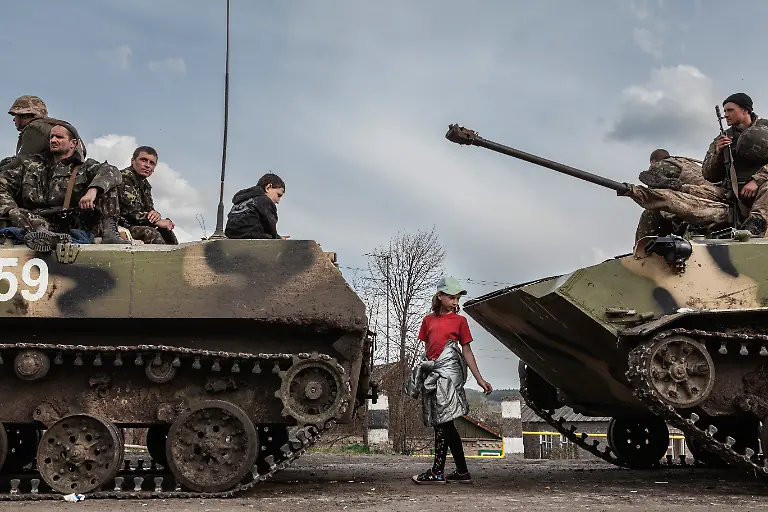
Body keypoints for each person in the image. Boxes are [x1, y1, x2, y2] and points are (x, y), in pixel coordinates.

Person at [408, 276, 493, 485]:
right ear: (440, 296)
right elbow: (428, 350)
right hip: (433, 373)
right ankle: (462, 472)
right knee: (447, 424)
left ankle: (437, 472)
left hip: (450, 377)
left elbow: (466, 351)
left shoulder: (460, 321)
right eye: (452, 298)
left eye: (457, 298)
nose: (456, 303)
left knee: (442, 423)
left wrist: (479, 379)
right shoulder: (428, 320)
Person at [0, 121, 129, 252]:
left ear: (73, 143)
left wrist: (93, 190)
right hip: (40, 221)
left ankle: (109, 232)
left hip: (76, 221)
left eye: (59, 137)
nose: (53, 140)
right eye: (51, 137)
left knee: (106, 183)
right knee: (16, 212)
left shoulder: (84, 167)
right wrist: (10, 208)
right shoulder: (31, 167)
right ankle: (46, 238)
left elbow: (112, 171)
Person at [701, 93, 768, 236]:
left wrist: (758, 180)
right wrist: (719, 153)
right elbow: (708, 174)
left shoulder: (765, 130)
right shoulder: (723, 137)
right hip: (733, 193)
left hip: (762, 189)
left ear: (745, 110)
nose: (726, 115)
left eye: (730, 110)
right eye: (724, 111)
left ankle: (755, 225)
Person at [118, 146, 176, 244]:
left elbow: (149, 210)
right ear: (133, 161)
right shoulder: (124, 178)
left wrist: (156, 215)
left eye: (152, 163)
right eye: (144, 160)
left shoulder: (145, 185)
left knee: (167, 232)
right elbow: (131, 213)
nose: (147, 165)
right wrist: (157, 221)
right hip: (118, 225)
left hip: (134, 224)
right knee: (152, 234)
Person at [8, 95, 86, 159]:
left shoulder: (34, 128)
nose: (14, 119)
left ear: (25, 115)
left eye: (16, 115)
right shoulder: (61, 127)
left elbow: (21, 163)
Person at [225, 173, 287, 239]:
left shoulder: (240, 201)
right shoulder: (264, 200)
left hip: (231, 238)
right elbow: (271, 228)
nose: (278, 201)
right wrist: (279, 238)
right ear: (268, 187)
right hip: (253, 239)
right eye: (278, 195)